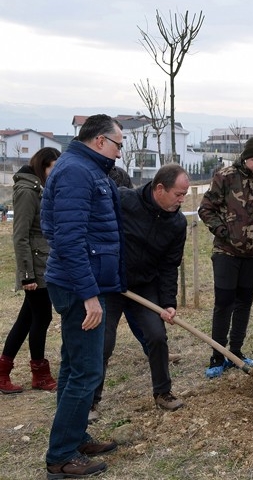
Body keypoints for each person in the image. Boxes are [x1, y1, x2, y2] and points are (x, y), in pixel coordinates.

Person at [41, 114, 125, 478]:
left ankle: (73, 439)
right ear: (101, 141)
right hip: (79, 286)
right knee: (87, 371)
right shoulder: (77, 172)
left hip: (82, 281)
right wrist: (89, 294)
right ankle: (61, 455)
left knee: (74, 366)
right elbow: (68, 238)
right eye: (119, 144)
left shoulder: (85, 169)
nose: (121, 153)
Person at [92, 163, 189, 419]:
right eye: (178, 194)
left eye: (184, 195)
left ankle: (163, 393)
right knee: (103, 341)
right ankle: (90, 401)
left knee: (157, 336)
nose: (182, 200)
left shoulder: (177, 224)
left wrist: (168, 301)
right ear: (160, 189)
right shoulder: (124, 201)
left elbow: (170, 266)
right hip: (112, 282)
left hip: (144, 285)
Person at [198, 136, 253, 378]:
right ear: (244, 158)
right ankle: (217, 356)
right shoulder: (226, 176)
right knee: (224, 303)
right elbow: (205, 208)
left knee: (244, 303)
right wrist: (223, 232)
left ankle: (236, 352)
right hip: (226, 252)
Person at [0, 147, 61, 394]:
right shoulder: (27, 191)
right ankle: (40, 374)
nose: (55, 173)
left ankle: (3, 372)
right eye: (53, 168)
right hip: (35, 268)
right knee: (41, 317)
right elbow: (20, 235)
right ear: (42, 166)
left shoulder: (40, 188)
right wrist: (27, 275)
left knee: (27, 319)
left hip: (43, 262)